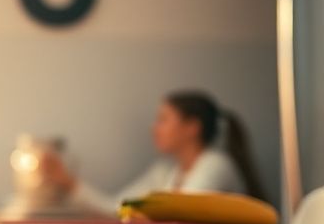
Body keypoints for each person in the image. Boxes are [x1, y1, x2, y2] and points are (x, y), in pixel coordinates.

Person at [42, 90, 268, 216]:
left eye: (163, 120)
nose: (154, 128)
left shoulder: (216, 165)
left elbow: (183, 214)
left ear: (192, 127)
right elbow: (117, 208)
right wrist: (67, 182)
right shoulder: (166, 172)